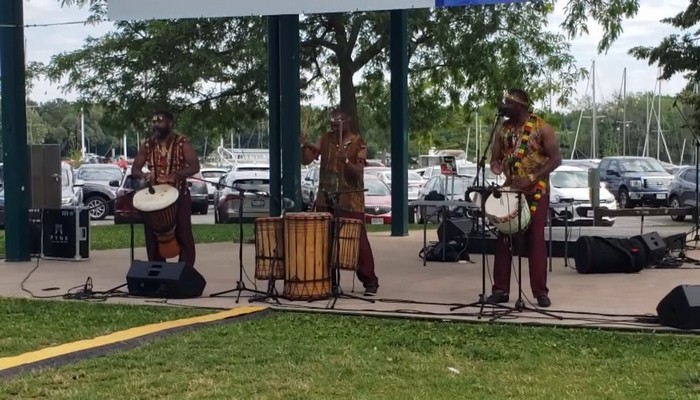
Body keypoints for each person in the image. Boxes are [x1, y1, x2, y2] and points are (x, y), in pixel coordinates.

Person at [488, 88, 562, 307]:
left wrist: (531, 177)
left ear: (520, 105)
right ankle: (500, 289)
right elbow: (495, 159)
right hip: (511, 190)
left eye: (508, 103)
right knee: (504, 239)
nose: (504, 106)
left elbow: (556, 159)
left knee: (535, 240)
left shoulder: (542, 127)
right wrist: (496, 166)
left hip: (536, 190)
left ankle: (540, 292)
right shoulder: (503, 129)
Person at [300, 107, 379, 296]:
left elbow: (358, 172)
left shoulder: (358, 143)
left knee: (357, 241)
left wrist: (345, 161)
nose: (333, 127)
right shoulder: (325, 139)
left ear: (347, 123)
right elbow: (307, 160)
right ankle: (329, 281)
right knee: (324, 241)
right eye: (332, 124)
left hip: (350, 200)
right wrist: (303, 146)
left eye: (337, 124)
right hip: (325, 198)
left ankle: (370, 281)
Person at [130, 109, 201, 268]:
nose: (156, 124)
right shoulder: (147, 145)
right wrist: (143, 176)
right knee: (152, 236)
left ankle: (185, 271)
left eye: (160, 121)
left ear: (170, 123)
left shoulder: (182, 143)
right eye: (154, 121)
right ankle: (157, 270)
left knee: (183, 233)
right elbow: (135, 169)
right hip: (154, 197)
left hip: (178, 194)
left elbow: (195, 166)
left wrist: (176, 174)